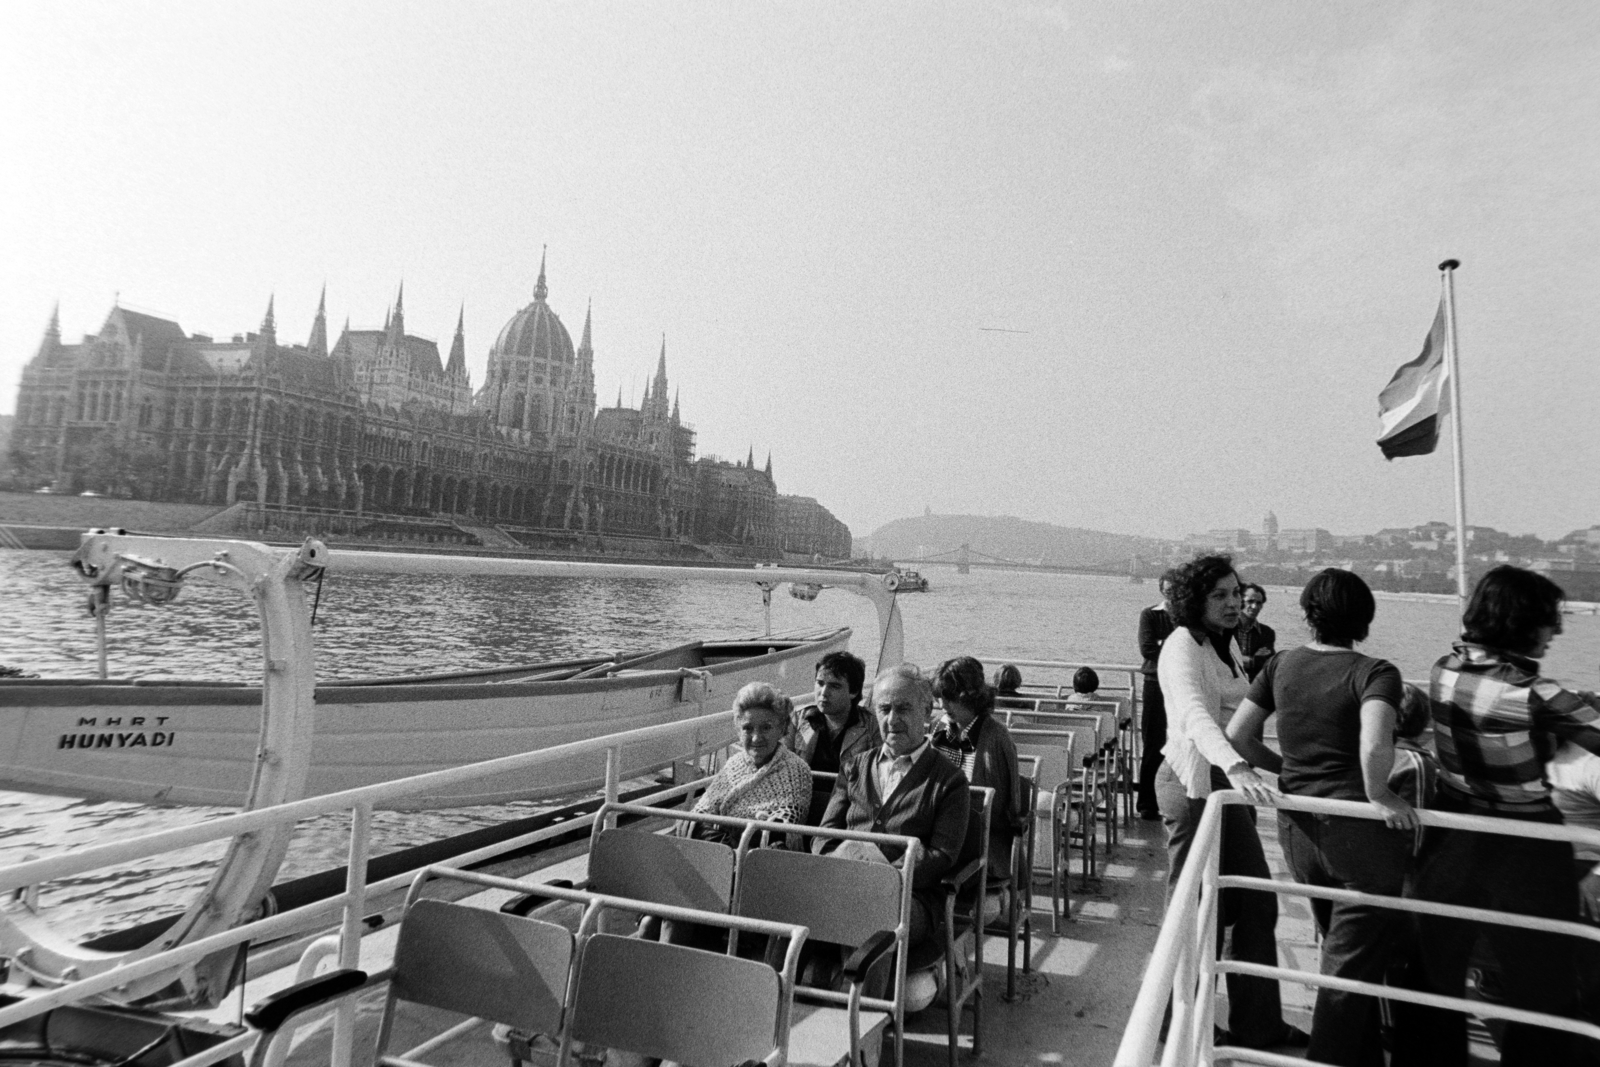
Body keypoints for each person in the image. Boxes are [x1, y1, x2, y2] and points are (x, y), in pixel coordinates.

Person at [1395, 565, 1600, 1066]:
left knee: (1434, 972)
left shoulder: (1443, 669)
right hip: (1525, 847)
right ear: (1521, 622)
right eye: (1551, 620)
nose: (1558, 631)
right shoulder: (1538, 694)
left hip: (1452, 833)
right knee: (1545, 983)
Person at [1227, 569, 1415, 1066]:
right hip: (1358, 840)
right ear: (1364, 618)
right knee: (1346, 974)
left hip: (1298, 833)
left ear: (1308, 613)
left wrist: (1286, 768)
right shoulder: (1376, 672)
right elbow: (1375, 743)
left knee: (1345, 951)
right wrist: (1383, 795)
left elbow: (1239, 735)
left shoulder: (1282, 664)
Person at [1156, 553, 1305, 1051]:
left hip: (1222, 782)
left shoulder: (1224, 647)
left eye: (1233, 592)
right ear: (1191, 601)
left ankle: (1257, 1023)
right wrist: (1239, 768)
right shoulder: (1181, 647)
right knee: (1196, 907)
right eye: (1217, 594)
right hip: (1192, 783)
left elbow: (1237, 720)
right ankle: (1173, 1016)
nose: (1232, 601)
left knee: (1254, 897)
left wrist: (1291, 769)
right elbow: (1198, 718)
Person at [817, 663, 971, 953]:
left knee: (870, 915)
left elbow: (941, 855)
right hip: (844, 881)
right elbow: (824, 835)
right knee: (784, 904)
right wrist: (840, 864)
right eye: (884, 709)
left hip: (911, 897)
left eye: (903, 709)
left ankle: (855, 995)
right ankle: (774, 992)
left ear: (926, 713)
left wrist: (882, 876)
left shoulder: (950, 781)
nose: (892, 719)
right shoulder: (854, 767)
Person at [930, 655, 1025, 886]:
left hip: (982, 843)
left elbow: (1001, 811)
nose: (943, 705)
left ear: (970, 696)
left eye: (950, 698)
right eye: (941, 698)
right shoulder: (940, 727)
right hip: (942, 833)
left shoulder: (996, 738)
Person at [692, 682, 812, 844]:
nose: (756, 738)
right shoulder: (733, 764)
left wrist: (722, 826)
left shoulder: (795, 770)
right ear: (738, 730)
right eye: (748, 728)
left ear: (781, 728)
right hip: (719, 853)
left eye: (766, 728)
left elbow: (780, 831)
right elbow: (698, 817)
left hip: (766, 860)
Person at [793, 651, 882, 775]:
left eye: (834, 686)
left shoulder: (874, 726)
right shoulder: (799, 719)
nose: (824, 692)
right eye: (820, 683)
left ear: (854, 691)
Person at [1136, 570, 1179, 819]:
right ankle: (1147, 804)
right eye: (1167, 589)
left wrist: (1166, 644)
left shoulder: (1188, 618)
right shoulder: (1150, 615)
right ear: (1162, 590)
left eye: (1176, 589)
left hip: (1181, 685)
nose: (1171, 593)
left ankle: (1177, 800)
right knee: (1153, 744)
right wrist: (1176, 646)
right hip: (1155, 684)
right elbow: (1148, 648)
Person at [1235, 582, 1277, 682]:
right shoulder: (1225, 629)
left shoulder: (1267, 633)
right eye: (1250, 601)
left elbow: (1266, 664)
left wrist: (1239, 659)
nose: (1254, 607)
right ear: (1240, 601)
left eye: (1259, 603)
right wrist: (1253, 660)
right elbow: (1221, 659)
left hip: (1253, 689)